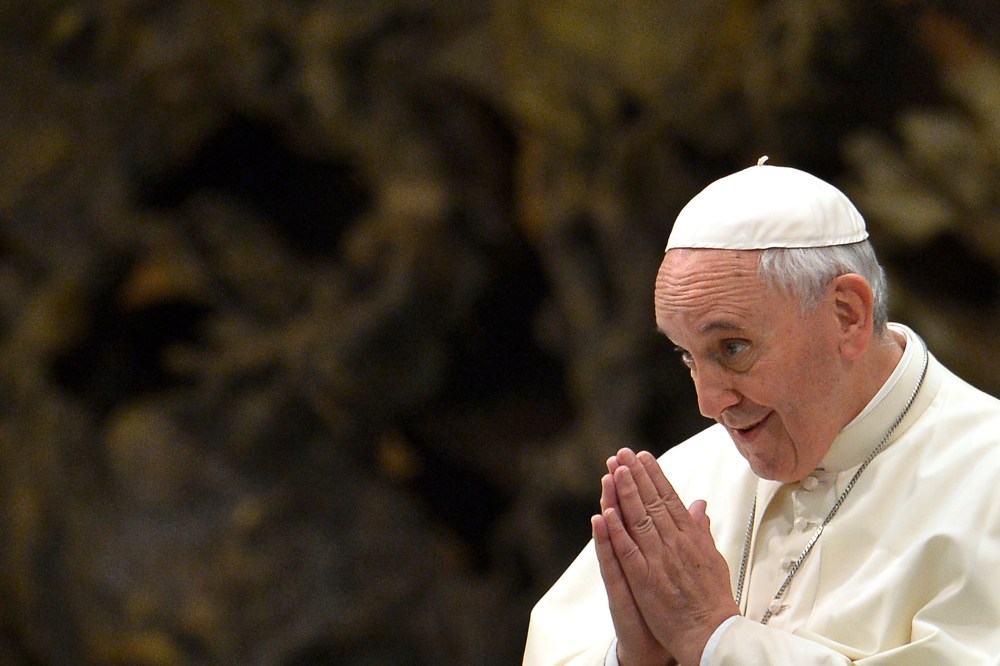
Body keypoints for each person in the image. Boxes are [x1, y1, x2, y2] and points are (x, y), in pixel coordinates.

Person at [522, 159, 1000, 665]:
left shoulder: (987, 477)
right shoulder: (684, 482)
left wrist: (717, 641)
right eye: (688, 356)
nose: (709, 404)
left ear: (847, 315)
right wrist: (634, 660)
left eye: (731, 348)